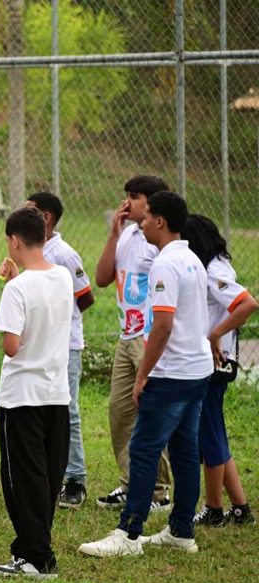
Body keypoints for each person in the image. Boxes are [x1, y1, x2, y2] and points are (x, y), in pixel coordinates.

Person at [79, 191, 212, 558]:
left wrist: (143, 376)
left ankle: (129, 533)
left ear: (161, 222)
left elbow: (163, 326)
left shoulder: (165, 265)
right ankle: (182, 530)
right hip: (197, 370)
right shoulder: (192, 259)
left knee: (143, 448)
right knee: (185, 450)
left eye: (147, 214)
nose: (141, 220)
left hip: (173, 372)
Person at [0, 206, 73, 578]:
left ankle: (35, 556)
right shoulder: (63, 277)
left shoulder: (19, 289)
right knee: (46, 477)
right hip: (56, 393)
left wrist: (10, 285)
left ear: (14, 240)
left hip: (21, 395)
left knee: (21, 479)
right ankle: (34, 549)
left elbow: (11, 345)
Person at [94, 175, 173, 511]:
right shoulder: (127, 234)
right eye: (125, 196)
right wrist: (114, 233)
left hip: (147, 339)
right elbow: (101, 278)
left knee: (149, 412)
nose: (127, 203)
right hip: (127, 337)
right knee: (120, 412)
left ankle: (158, 492)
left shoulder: (158, 241)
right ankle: (130, 484)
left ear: (152, 204)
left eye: (135, 197)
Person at [180, 214, 257, 527]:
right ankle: (239, 507)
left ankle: (214, 509)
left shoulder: (212, 271)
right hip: (215, 360)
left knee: (209, 435)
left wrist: (214, 335)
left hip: (215, 362)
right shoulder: (215, 266)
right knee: (213, 433)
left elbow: (247, 304)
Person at [26, 192, 94, 509]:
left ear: (47, 217)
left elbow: (86, 297)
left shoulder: (64, 254)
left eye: (30, 212)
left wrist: (59, 319)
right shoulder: (30, 250)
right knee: (44, 409)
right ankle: (50, 474)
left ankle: (75, 479)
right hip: (38, 343)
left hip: (65, 344)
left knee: (68, 409)